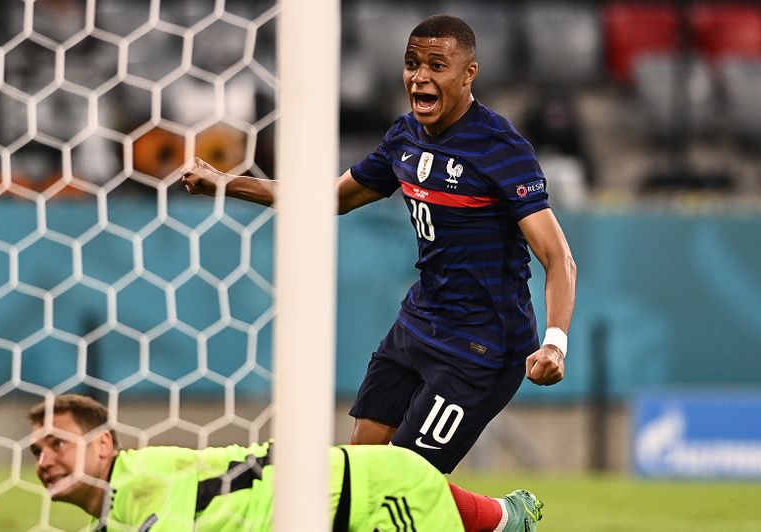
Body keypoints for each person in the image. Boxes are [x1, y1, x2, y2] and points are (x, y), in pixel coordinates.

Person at [181, 15, 577, 474]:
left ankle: (499, 519)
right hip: (420, 322)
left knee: (400, 481)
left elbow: (558, 258)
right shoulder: (404, 137)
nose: (420, 76)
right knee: (358, 464)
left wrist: (555, 344)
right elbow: (330, 198)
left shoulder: (501, 149)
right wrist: (227, 184)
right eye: (412, 63)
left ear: (469, 73)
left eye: (436, 65)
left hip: (483, 345)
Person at [29, 394, 544, 531]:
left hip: (383, 497)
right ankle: (506, 517)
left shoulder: (146, 479)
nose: (45, 460)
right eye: (36, 452)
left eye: (58, 444)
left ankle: (506, 518)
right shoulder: (117, 508)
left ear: (103, 445)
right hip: (367, 487)